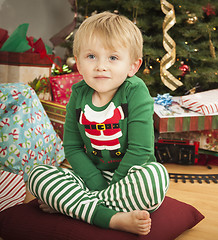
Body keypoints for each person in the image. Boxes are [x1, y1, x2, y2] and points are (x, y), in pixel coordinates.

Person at [28, 12, 169, 236]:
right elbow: (73, 147)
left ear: (133, 66)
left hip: (131, 177)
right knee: (37, 175)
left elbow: (141, 150)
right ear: (78, 61)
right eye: (91, 56)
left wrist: (108, 188)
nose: (101, 66)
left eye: (113, 58)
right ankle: (112, 218)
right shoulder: (78, 94)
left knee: (155, 178)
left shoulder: (136, 91)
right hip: (89, 175)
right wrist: (95, 182)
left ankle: (76, 207)